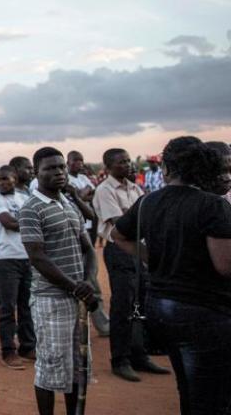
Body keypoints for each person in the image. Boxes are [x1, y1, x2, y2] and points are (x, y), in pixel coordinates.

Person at [111, 136, 231, 415]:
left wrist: (154, 259)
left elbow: (118, 235)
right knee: (213, 397)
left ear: (166, 168)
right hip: (204, 310)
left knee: (188, 385)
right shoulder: (212, 205)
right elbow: (225, 266)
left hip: (161, 307)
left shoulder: (148, 201)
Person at [19, 147, 99, 415]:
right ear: (36, 173)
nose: (58, 173)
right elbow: (38, 258)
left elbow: (88, 249)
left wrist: (87, 282)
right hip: (50, 300)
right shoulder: (31, 208)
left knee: (77, 367)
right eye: (50, 168)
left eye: (61, 167)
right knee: (50, 368)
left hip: (77, 297)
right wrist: (76, 286)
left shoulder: (69, 204)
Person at [93, 148, 168, 382]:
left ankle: (140, 355)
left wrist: (134, 217)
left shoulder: (135, 188)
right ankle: (120, 360)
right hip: (119, 250)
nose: (128, 165)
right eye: (122, 162)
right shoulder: (104, 190)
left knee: (141, 304)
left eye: (128, 161)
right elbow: (121, 224)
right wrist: (136, 218)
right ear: (108, 167)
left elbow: (140, 218)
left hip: (138, 250)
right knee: (123, 307)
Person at [0, 165, 35, 369]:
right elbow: (9, 223)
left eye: (6, 179)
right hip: (7, 259)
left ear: (15, 178)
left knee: (26, 306)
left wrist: (30, 222)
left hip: (27, 257)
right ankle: (8, 350)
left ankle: (27, 346)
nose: (1, 183)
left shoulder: (24, 198)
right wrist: (31, 223)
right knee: (8, 307)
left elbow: (27, 222)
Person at [67, 150, 111, 337]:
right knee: (75, 282)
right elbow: (81, 197)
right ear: (68, 162)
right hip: (70, 235)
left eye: (81, 160)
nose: (79, 163)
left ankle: (103, 324)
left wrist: (79, 195)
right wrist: (81, 196)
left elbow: (89, 202)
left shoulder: (84, 178)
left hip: (86, 232)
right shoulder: (64, 179)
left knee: (91, 279)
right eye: (76, 160)